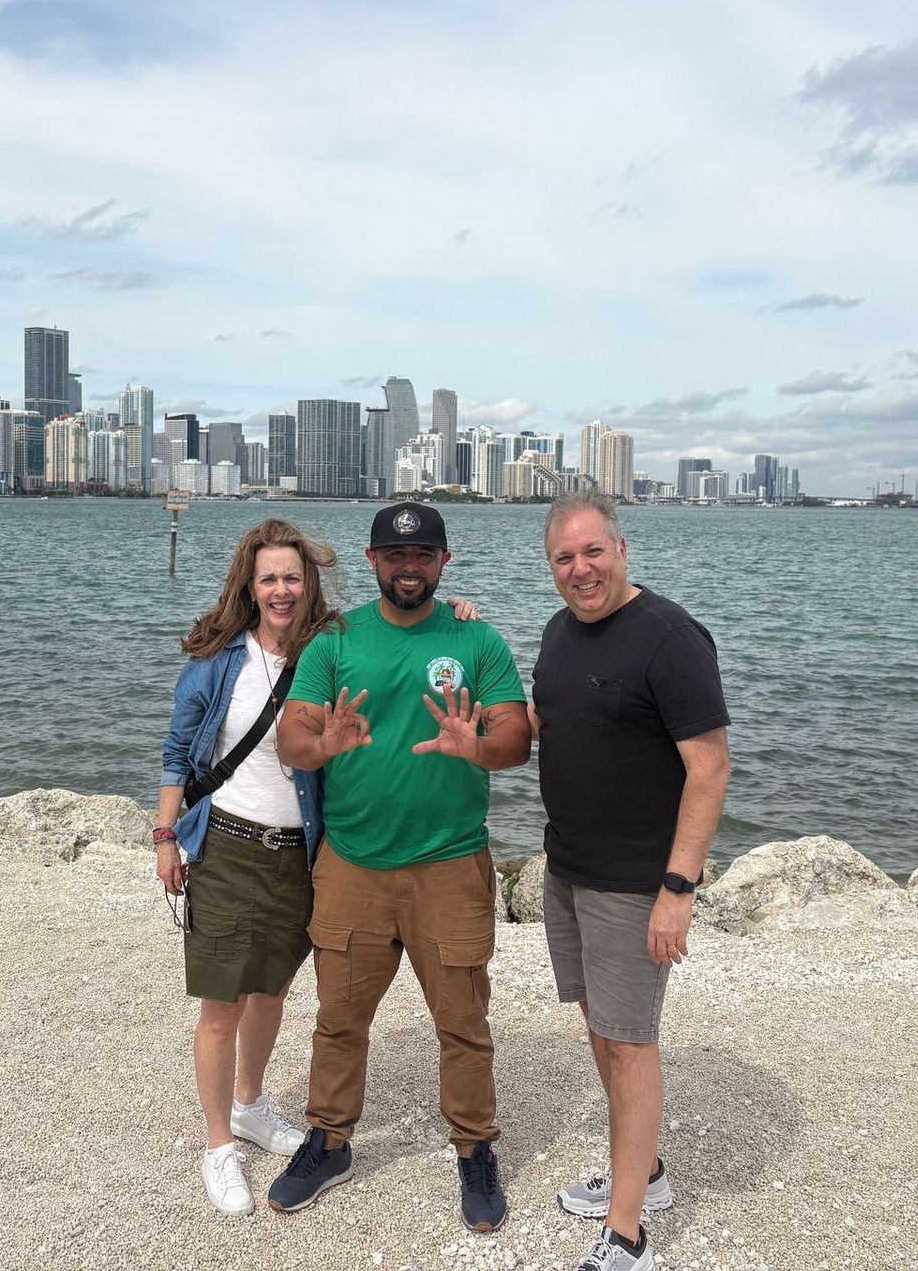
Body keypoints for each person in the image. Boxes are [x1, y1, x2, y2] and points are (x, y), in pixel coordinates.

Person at [266, 502, 532, 1234]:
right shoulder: (336, 640)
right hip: (352, 863)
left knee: (463, 1024)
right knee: (339, 1020)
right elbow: (293, 737)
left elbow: (516, 735)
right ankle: (329, 1140)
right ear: (373, 559)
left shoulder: (476, 638)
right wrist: (328, 744)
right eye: (394, 555)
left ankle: (475, 1147)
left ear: (444, 562)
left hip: (450, 864)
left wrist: (475, 745)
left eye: (422, 556)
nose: (407, 567)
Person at [529, 490, 731, 1271]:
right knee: (599, 1025)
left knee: (630, 1042)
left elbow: (709, 769)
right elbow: (549, 722)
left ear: (622, 549)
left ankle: (629, 1232)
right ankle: (641, 1175)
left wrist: (678, 889)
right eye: (564, 558)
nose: (581, 570)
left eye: (593, 552)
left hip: (634, 882)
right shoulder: (558, 632)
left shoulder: (669, 637)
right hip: (567, 867)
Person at [155, 518, 339, 1217]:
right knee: (220, 1007)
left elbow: (401, 635)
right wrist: (166, 837)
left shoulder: (331, 650)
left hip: (298, 852)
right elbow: (178, 752)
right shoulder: (218, 658)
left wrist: (458, 613)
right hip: (227, 845)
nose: (282, 589)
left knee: (270, 992)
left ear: (308, 581)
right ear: (250, 585)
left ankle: (252, 1104)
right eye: (270, 578)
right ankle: (217, 1144)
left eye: (292, 576)